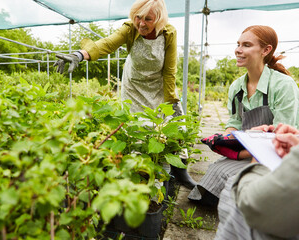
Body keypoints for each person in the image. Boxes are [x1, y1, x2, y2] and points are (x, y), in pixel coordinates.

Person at [53, 0, 196, 189]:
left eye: (148, 19)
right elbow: (107, 44)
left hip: (159, 84)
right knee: (137, 127)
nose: (141, 23)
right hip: (134, 86)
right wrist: (80, 55)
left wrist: (172, 102)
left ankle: (180, 173)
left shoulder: (169, 33)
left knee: (175, 127)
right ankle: (140, 173)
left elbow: (170, 71)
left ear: (159, 19)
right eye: (138, 17)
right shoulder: (130, 29)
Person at [188, 25, 299, 206]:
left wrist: (238, 154)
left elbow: (282, 139)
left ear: (266, 50)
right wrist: (226, 141)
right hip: (250, 148)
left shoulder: (282, 86)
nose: (238, 50)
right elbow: (235, 121)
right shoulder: (237, 87)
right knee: (213, 175)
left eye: (246, 45)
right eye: (238, 44)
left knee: (242, 185)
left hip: (279, 154)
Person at [215, 123, 299, 240]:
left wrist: (258, 154)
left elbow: (254, 203)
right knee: (216, 169)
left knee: (234, 194)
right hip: (273, 149)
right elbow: (234, 121)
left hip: (264, 154)